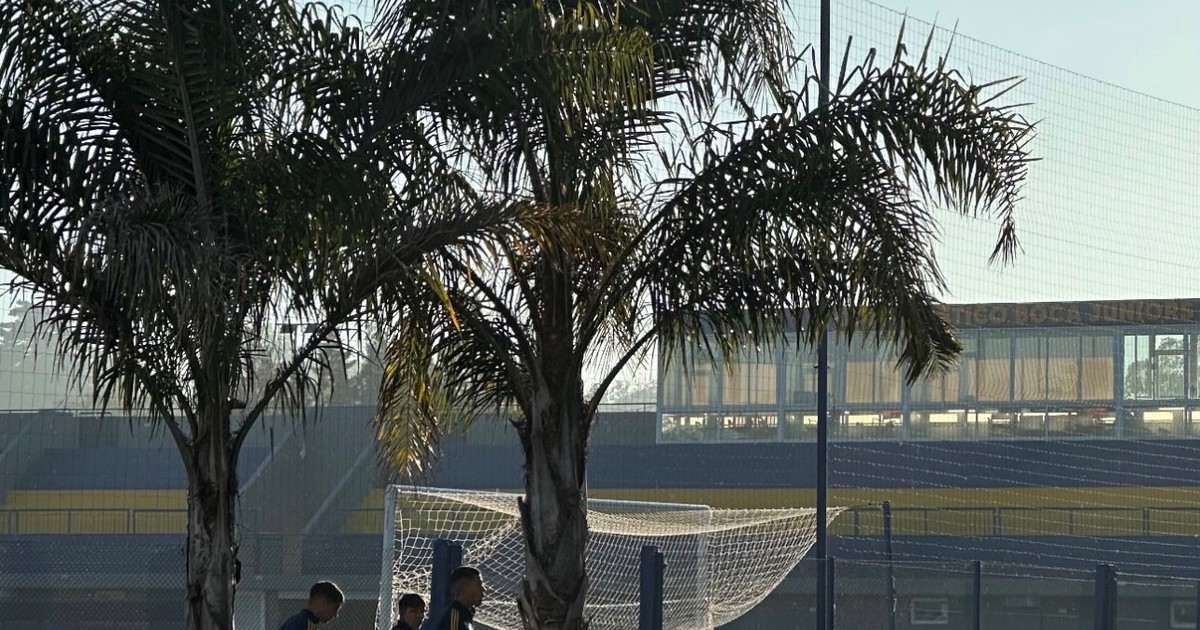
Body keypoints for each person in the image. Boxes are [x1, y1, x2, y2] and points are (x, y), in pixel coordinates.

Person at [279, 581, 345, 630]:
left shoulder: (305, 623)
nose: (335, 615)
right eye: (335, 608)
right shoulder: (300, 624)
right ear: (323, 603)